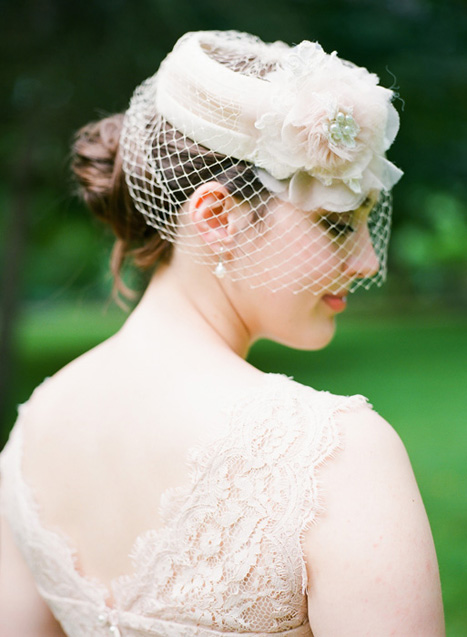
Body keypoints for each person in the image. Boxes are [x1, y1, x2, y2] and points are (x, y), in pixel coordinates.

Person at [0, 30, 444, 636]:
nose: (369, 261)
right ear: (218, 218)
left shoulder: (31, 435)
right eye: (339, 225)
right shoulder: (336, 455)